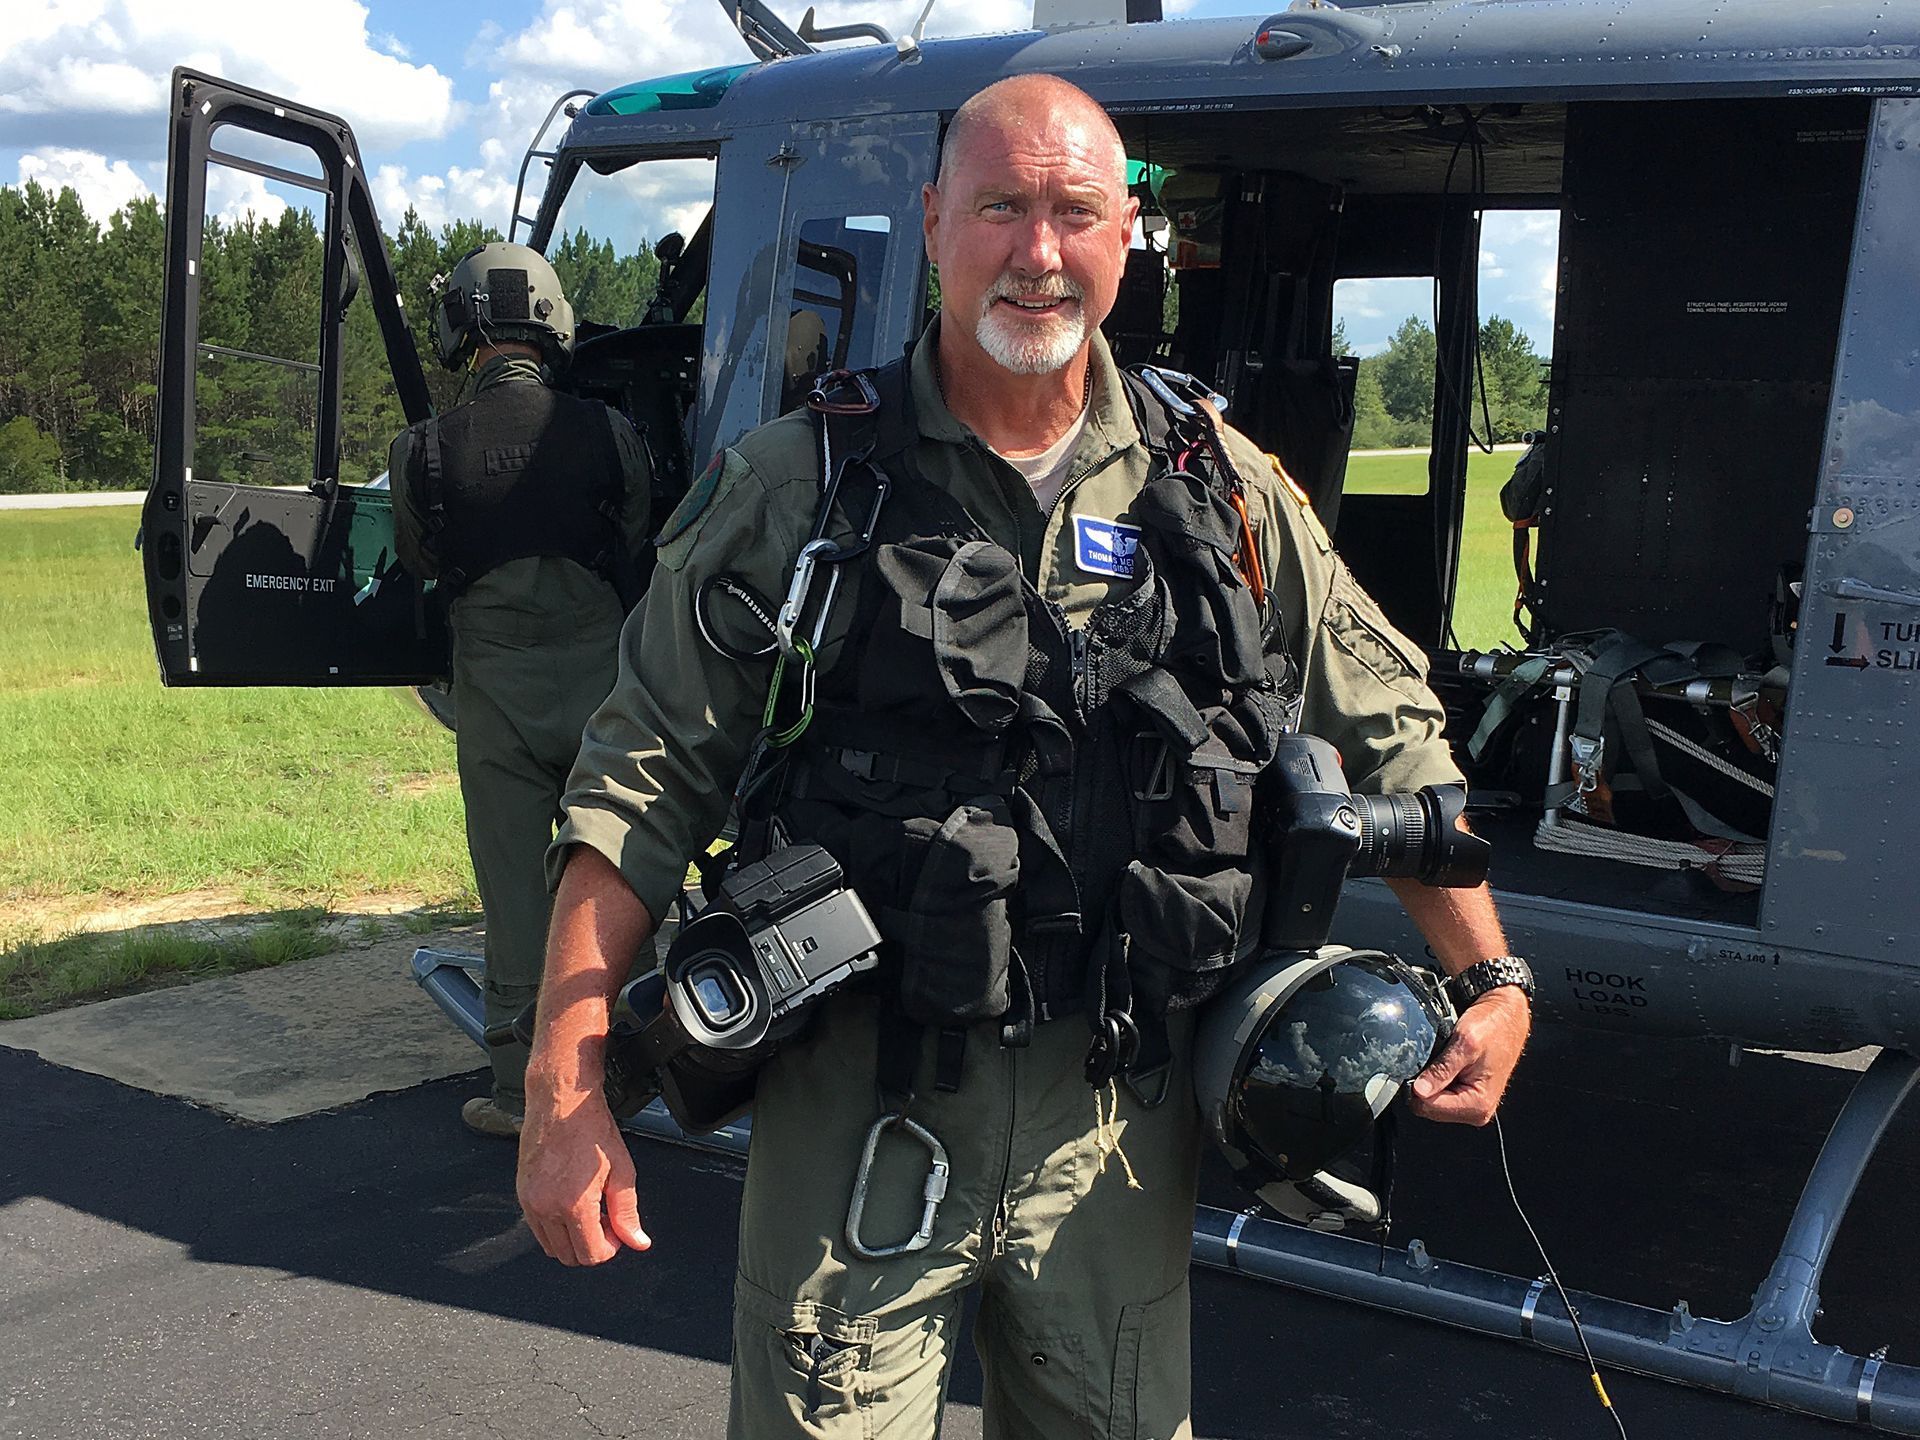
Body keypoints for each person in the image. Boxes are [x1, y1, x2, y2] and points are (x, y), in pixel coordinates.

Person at [516, 75, 1530, 1437]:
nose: (1038, 252)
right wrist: (563, 1085)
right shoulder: (797, 484)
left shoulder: (1221, 486)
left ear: (1128, 241)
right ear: (935, 225)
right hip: (856, 1107)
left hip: (1113, 1123)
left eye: (1074, 213)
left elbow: (1390, 726)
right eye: (1000, 206)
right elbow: (640, 784)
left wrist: (1494, 975)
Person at [388, 241, 652, 1139]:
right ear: (550, 322)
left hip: (492, 693)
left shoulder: (421, 452)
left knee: (512, 894)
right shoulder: (609, 434)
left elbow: (423, 559)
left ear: (464, 330)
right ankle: (645, 1058)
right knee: (619, 866)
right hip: (602, 683)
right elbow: (641, 536)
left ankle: (516, 1089)